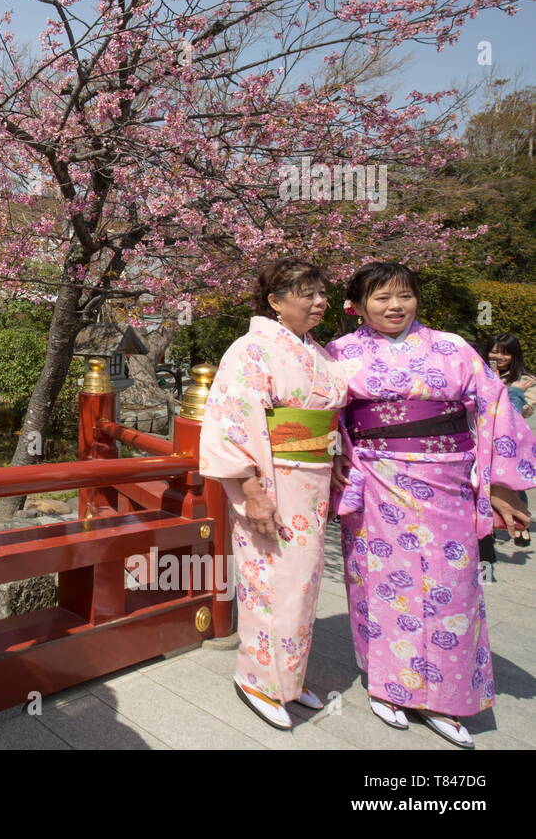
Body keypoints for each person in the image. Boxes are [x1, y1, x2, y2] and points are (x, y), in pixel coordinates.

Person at [328, 262, 534, 748]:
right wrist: (334, 456)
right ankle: (388, 686)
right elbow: (323, 415)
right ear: (357, 306)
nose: (395, 306)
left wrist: (502, 485)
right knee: (379, 583)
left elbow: (494, 407)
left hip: (449, 482)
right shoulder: (340, 353)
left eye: (404, 296)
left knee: (452, 588)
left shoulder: (453, 347)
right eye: (381, 298)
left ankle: (446, 696)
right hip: (378, 479)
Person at [199, 258, 348, 731]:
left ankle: (289, 677)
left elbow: (330, 419)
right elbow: (230, 423)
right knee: (268, 581)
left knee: (301, 585)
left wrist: (335, 456)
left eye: (321, 292)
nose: (319, 301)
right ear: (275, 302)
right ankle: (258, 679)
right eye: (306, 292)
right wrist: (250, 489)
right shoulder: (251, 350)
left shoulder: (318, 353)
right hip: (272, 483)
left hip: (312, 483)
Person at [481, 333, 535, 546]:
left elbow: (518, 411)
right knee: (486, 481)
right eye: (494, 351)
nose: (499, 356)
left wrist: (514, 391)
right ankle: (492, 523)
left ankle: (521, 522)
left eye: (505, 353)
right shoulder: (480, 372)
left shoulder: (524, 380)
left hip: (510, 440)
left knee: (511, 481)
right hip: (484, 435)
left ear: (514, 356)